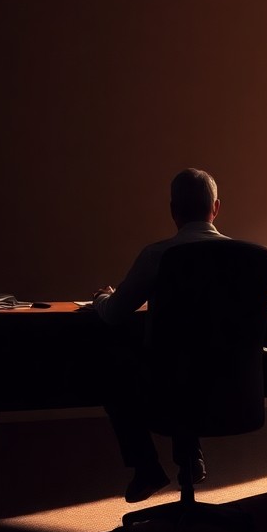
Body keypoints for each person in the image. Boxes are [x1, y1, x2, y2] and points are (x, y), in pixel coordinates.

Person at [92, 167, 231, 503]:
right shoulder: (249, 257)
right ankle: (188, 455)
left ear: (174, 211)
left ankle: (146, 467)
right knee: (191, 355)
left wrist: (102, 297)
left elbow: (114, 315)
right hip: (229, 381)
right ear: (215, 208)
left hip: (167, 384)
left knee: (114, 366)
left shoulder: (158, 256)